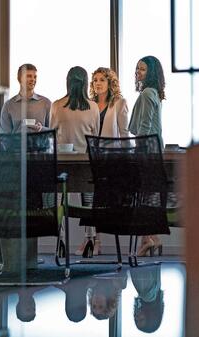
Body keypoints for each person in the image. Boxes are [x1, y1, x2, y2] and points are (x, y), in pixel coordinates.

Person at [74, 67, 130, 256]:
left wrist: (127, 159)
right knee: (88, 200)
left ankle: (98, 240)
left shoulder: (119, 104)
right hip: (89, 158)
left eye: (102, 80)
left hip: (111, 160)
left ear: (110, 83)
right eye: (95, 80)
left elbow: (124, 134)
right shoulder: (88, 105)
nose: (97, 83)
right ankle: (90, 239)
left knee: (103, 202)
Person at [49, 66, 99, 257]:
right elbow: (95, 137)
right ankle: (90, 239)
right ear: (86, 83)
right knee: (88, 200)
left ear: (68, 82)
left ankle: (60, 240)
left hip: (62, 163)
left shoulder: (56, 105)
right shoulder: (93, 107)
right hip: (85, 163)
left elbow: (52, 134)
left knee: (61, 199)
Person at [129, 55, 166, 256]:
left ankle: (149, 239)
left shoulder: (146, 94)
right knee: (148, 196)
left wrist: (137, 150)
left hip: (145, 152)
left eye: (142, 69)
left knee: (143, 197)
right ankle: (150, 238)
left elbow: (144, 127)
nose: (137, 72)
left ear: (151, 72)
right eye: (137, 69)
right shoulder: (155, 94)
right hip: (154, 151)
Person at [0, 63, 51, 134]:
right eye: (29, 76)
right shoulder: (8, 106)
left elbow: (54, 133)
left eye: (35, 77)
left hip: (41, 145)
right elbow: (4, 137)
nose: (33, 79)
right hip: (17, 145)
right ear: (19, 79)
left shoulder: (46, 103)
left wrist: (41, 129)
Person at [130, 264, 165, 333]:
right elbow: (140, 262)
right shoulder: (147, 296)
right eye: (141, 319)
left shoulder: (153, 294)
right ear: (151, 316)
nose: (136, 317)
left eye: (136, 320)